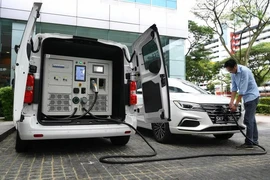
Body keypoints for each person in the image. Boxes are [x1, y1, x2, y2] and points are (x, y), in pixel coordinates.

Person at [224, 59, 260, 149]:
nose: (230, 72)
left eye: (231, 70)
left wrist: (235, 105)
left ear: (235, 66)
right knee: (252, 120)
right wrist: (231, 102)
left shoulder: (245, 71)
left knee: (248, 120)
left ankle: (249, 143)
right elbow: (234, 88)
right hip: (246, 98)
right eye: (228, 70)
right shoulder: (233, 73)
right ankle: (254, 140)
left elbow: (242, 90)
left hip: (252, 96)